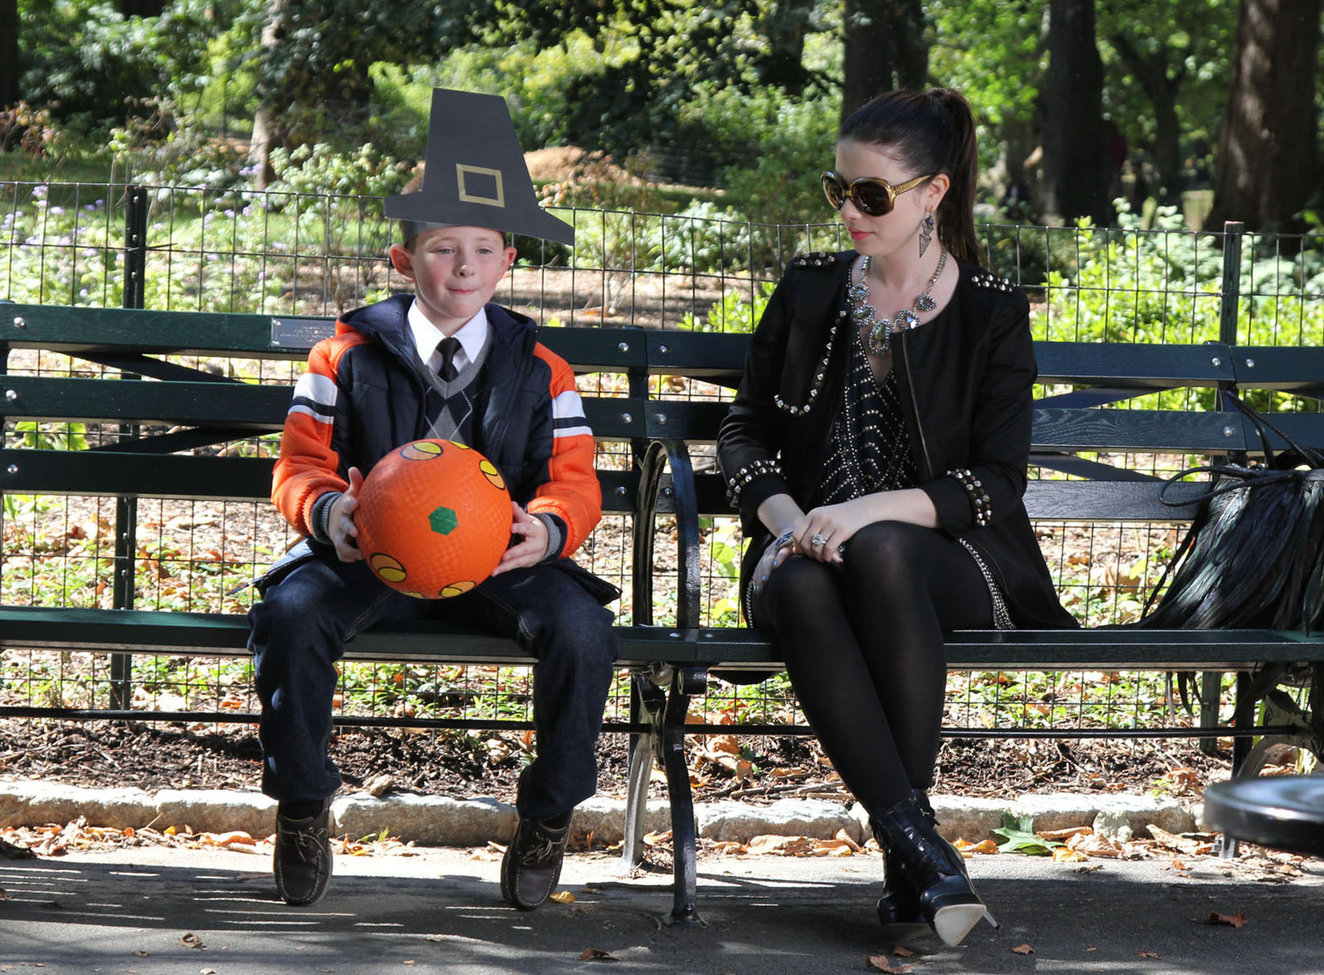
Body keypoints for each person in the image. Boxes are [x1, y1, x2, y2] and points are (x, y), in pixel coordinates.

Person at [716, 88, 1077, 947]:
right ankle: (917, 852)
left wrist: (861, 511)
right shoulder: (809, 291)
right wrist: (791, 522)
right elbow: (743, 431)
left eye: (871, 194)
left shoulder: (991, 311)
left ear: (933, 193)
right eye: (837, 189)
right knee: (801, 582)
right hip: (805, 548)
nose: (850, 210)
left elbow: (996, 481)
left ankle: (907, 854)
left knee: (879, 548)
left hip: (952, 560)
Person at [248, 88, 619, 910]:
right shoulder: (342, 355)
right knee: (290, 615)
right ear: (403, 258)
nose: (463, 266)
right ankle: (303, 805)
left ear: (508, 260)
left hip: (500, 559)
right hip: (368, 553)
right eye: (443, 248)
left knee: (584, 630)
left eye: (482, 249)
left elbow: (574, 479)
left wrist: (548, 528)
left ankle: (548, 814)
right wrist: (329, 512)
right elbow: (298, 465)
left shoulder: (542, 368)